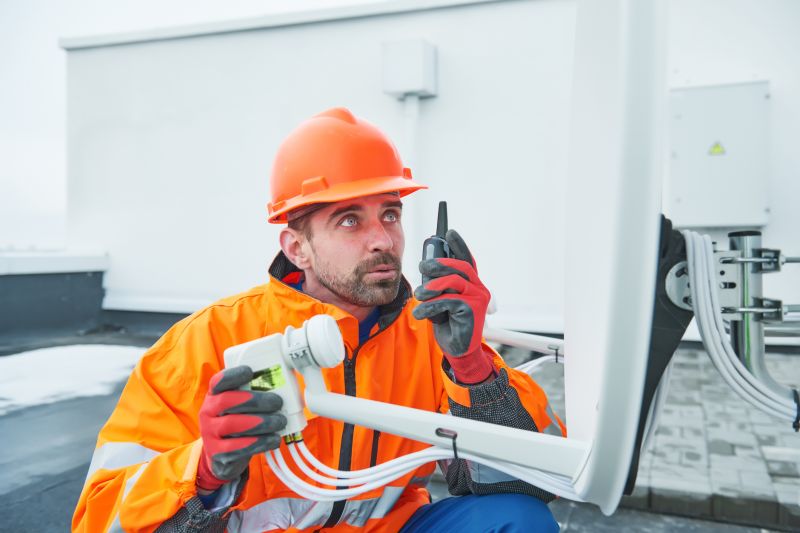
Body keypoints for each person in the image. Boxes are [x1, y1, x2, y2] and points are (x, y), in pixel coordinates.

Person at [73, 108, 565, 532]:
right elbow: (100, 516)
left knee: (519, 519)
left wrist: (472, 364)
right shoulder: (205, 342)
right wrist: (202, 472)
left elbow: (536, 481)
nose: (382, 240)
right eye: (350, 219)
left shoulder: (430, 335)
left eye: (390, 214)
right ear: (297, 248)